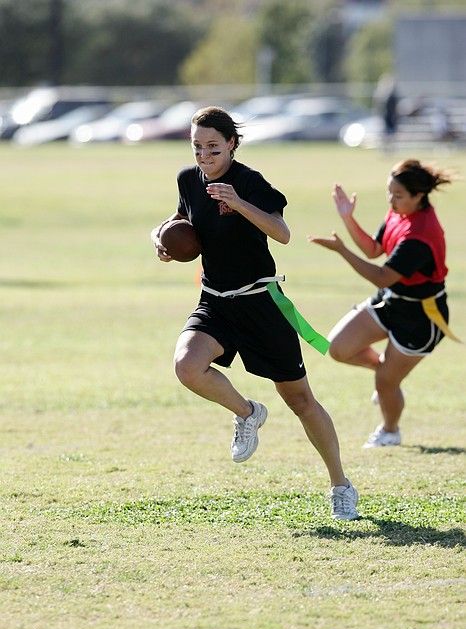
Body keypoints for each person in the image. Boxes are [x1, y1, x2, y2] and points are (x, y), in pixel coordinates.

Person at [151, 105, 359, 520]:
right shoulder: (188, 180)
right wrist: (160, 240)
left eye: (213, 147)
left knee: (300, 400)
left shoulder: (250, 182)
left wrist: (239, 202)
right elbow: (179, 222)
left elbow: (282, 234)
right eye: (198, 147)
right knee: (187, 366)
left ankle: (341, 484)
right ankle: (247, 413)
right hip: (215, 300)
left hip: (261, 302)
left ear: (231, 144)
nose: (205, 156)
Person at [309, 159, 456, 448]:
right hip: (391, 302)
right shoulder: (400, 212)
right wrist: (347, 217)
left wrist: (341, 251)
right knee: (338, 348)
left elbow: (381, 277)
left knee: (386, 384)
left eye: (398, 195)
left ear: (419, 196)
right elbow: (374, 249)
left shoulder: (420, 235)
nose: (391, 200)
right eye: (390, 192)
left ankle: (390, 431)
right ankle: (386, 372)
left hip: (421, 316)